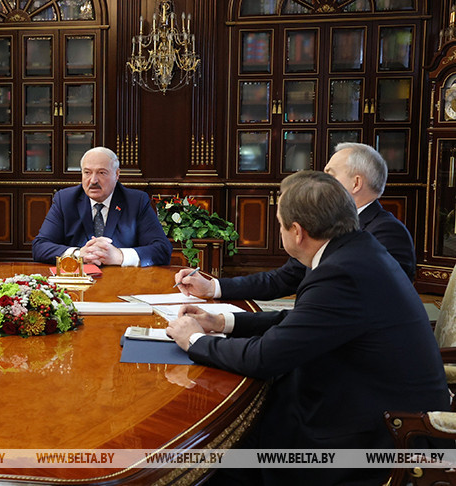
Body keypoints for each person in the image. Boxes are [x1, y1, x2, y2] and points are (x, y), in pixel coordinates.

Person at [166, 171, 449, 485]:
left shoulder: (342, 273)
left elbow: (265, 358)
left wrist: (193, 340)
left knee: (216, 462)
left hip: (373, 441)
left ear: (297, 232)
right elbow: (302, 322)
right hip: (370, 408)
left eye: (279, 223)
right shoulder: (356, 251)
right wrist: (221, 322)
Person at [174, 142, 415, 300]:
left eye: (330, 174)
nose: (320, 181)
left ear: (356, 183)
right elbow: (285, 278)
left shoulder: (388, 233)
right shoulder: (329, 223)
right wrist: (214, 287)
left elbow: (378, 306)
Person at [32, 147, 171, 267]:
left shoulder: (136, 201)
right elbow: (40, 247)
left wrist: (120, 256)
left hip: (123, 281)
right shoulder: (65, 199)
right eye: (87, 172)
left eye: (102, 173)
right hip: (78, 281)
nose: (93, 180)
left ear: (117, 174)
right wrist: (78, 254)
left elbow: (162, 249)